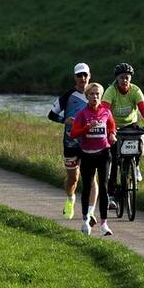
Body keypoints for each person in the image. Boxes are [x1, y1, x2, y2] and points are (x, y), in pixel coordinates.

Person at [47, 62, 98, 222]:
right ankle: (70, 199)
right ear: (74, 77)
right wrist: (65, 120)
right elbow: (51, 114)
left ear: (90, 76)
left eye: (85, 75)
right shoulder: (68, 96)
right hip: (71, 143)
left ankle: (89, 213)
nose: (82, 78)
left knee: (91, 178)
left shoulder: (97, 94)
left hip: (91, 143)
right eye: (79, 75)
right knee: (73, 179)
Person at [102, 62, 144, 209]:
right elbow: (105, 111)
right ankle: (111, 196)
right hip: (113, 126)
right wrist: (108, 129)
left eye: (127, 77)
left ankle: (136, 165)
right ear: (117, 79)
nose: (124, 80)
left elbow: (143, 108)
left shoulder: (135, 90)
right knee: (114, 161)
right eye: (121, 78)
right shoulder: (110, 91)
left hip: (130, 126)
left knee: (139, 140)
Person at [69, 82, 116, 236]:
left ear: (101, 96)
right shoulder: (82, 114)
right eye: (92, 94)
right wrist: (87, 128)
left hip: (104, 153)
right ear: (87, 96)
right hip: (87, 154)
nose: (95, 97)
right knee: (87, 187)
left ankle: (104, 224)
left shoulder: (106, 111)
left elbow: (111, 125)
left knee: (103, 187)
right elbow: (74, 134)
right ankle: (85, 221)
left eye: (97, 94)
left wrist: (112, 134)